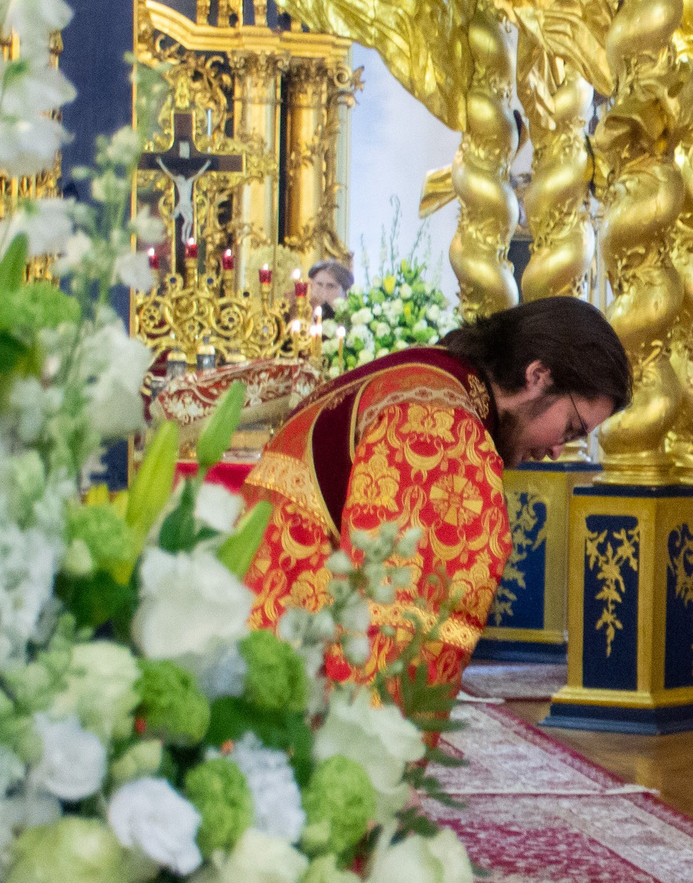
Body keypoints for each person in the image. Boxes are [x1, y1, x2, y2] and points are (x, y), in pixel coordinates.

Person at [244, 295, 629, 693]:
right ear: (537, 376)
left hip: (258, 627)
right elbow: (402, 626)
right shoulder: (443, 427)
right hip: (289, 664)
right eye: (570, 429)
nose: (554, 451)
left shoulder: (432, 374)